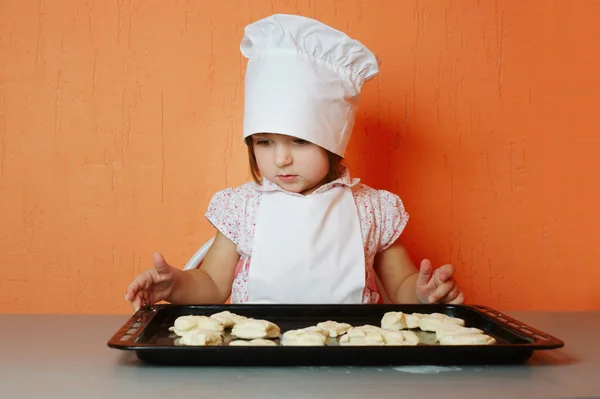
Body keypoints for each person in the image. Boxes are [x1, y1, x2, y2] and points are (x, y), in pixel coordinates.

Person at [125, 14, 464, 311]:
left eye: (299, 141)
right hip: (258, 358)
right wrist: (175, 286)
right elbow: (212, 284)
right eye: (264, 142)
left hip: (351, 359)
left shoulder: (372, 210)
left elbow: (401, 285)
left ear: (333, 143)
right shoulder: (243, 207)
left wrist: (423, 294)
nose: (280, 158)